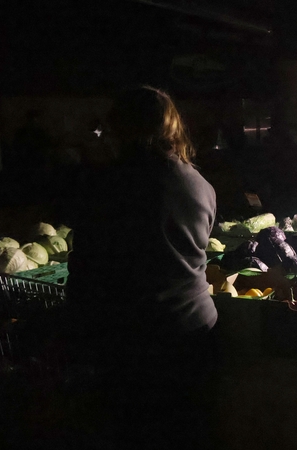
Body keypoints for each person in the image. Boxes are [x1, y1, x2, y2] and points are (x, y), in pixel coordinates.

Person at [66, 86, 218, 449]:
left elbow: (87, 266)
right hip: (196, 331)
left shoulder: (109, 184)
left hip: (136, 340)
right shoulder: (199, 183)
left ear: (120, 127)